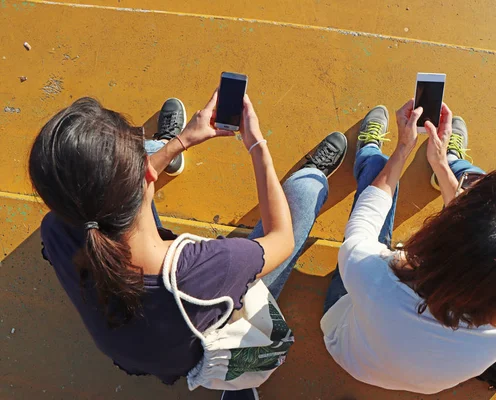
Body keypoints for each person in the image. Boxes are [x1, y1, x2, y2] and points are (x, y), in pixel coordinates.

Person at [30, 92, 348, 400]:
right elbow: (282, 239)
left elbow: (118, 193)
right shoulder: (208, 270)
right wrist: (256, 145)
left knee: (151, 149)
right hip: (204, 335)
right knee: (304, 192)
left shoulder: (59, 230)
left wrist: (179, 142)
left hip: (141, 358)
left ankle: (165, 150)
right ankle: (311, 175)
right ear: (146, 172)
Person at [320, 100, 496, 394]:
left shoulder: (373, 275)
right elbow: (478, 242)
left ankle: (369, 152)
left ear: (444, 234)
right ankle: (451, 161)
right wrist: (440, 163)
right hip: (428, 384)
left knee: (379, 172)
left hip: (350, 351)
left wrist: (403, 148)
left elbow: (367, 216)